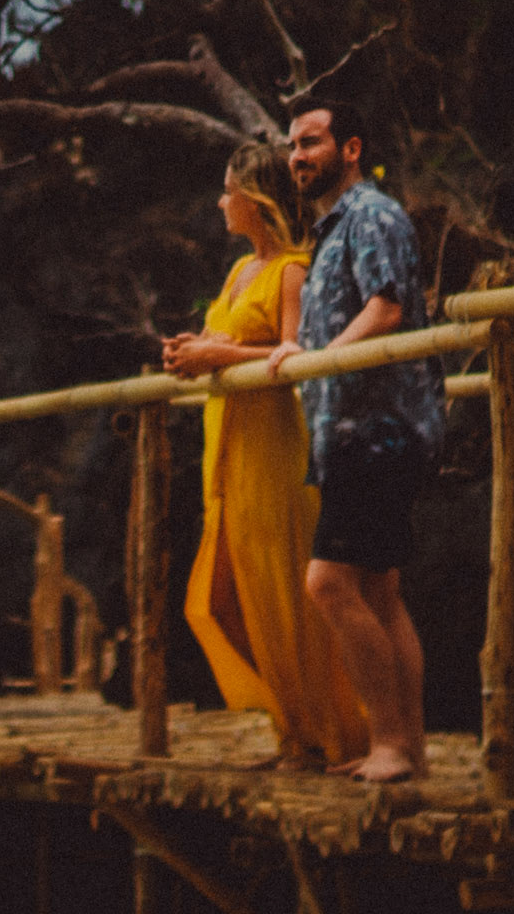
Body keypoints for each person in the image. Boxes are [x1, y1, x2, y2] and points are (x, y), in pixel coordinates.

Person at [162, 141, 368, 768]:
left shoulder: (294, 271)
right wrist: (189, 350)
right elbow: (224, 340)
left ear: (254, 201)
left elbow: (293, 353)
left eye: (228, 191)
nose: (220, 202)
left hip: (275, 450)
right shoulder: (238, 272)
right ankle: (290, 730)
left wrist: (214, 356)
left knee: (283, 590)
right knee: (234, 594)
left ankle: (326, 736)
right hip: (227, 449)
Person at [267, 99, 445, 784]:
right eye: (292, 146)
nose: (297, 156)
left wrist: (321, 358)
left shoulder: (372, 214)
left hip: (378, 430)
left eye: (310, 142)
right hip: (353, 430)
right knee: (377, 588)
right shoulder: (332, 228)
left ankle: (393, 745)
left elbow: (387, 306)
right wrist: (297, 354)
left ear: (350, 148)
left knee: (329, 582)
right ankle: (409, 749)